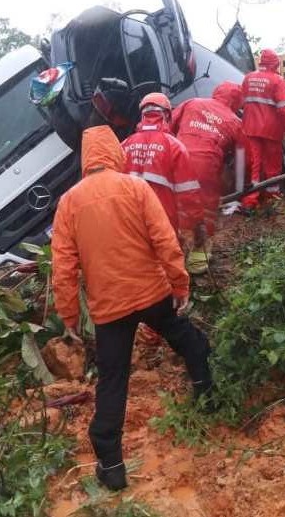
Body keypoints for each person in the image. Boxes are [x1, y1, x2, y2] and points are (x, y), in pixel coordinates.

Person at [51, 125, 213, 492]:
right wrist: (179, 282)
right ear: (114, 152)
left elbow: (63, 267)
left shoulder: (69, 203)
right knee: (183, 336)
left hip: (109, 308)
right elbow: (164, 239)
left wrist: (70, 317)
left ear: (85, 159)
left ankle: (112, 467)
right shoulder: (136, 187)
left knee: (113, 380)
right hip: (152, 291)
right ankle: (206, 387)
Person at [172, 81, 247, 274]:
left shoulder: (192, 103)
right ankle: (198, 261)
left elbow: (168, 126)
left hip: (177, 160)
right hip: (206, 166)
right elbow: (242, 161)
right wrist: (239, 191)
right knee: (205, 212)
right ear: (237, 102)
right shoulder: (235, 122)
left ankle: (172, 256)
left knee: (174, 207)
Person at [120, 92, 203, 248]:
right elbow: (188, 192)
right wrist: (195, 223)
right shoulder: (174, 146)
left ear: (142, 115)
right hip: (164, 221)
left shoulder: (124, 145)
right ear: (166, 115)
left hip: (130, 221)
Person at [241, 49, 285, 210]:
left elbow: (242, 101)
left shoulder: (248, 78)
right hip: (271, 130)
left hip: (250, 128)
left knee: (253, 166)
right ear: (275, 63)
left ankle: (250, 201)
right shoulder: (277, 80)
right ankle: (272, 199)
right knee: (273, 166)